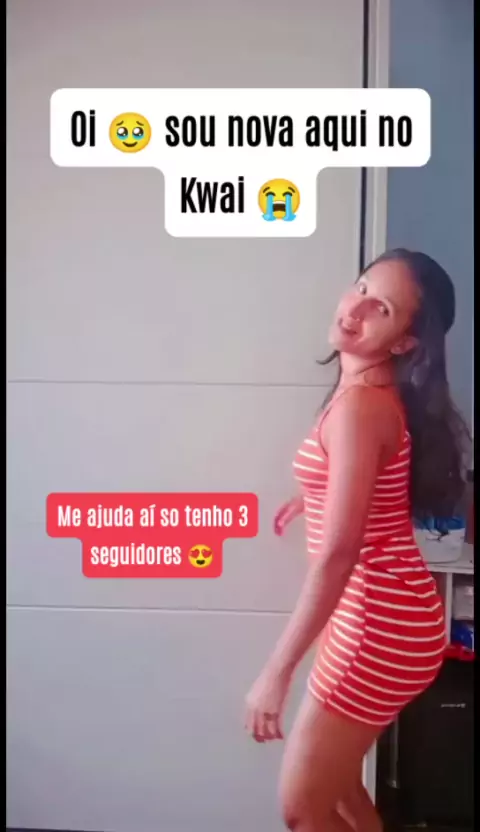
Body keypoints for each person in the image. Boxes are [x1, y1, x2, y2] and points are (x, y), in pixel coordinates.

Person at [244, 249, 470, 832]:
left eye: (382, 308)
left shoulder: (360, 407)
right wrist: (316, 496)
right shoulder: (369, 394)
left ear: (405, 342)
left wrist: (276, 673)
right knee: (339, 785)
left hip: (378, 624)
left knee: (303, 809)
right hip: (389, 614)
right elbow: (372, 481)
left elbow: (339, 554)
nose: (355, 309)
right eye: (362, 287)